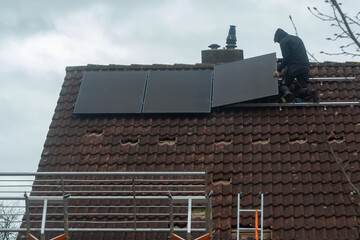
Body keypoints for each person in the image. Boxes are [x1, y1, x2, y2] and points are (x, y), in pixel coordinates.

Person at [273, 28, 318, 102]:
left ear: (278, 38)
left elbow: (287, 58)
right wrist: (280, 60)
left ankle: (287, 93)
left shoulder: (283, 41)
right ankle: (311, 92)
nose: (278, 43)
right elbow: (293, 55)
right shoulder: (297, 39)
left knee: (283, 85)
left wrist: (278, 70)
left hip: (294, 67)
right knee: (298, 90)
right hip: (305, 67)